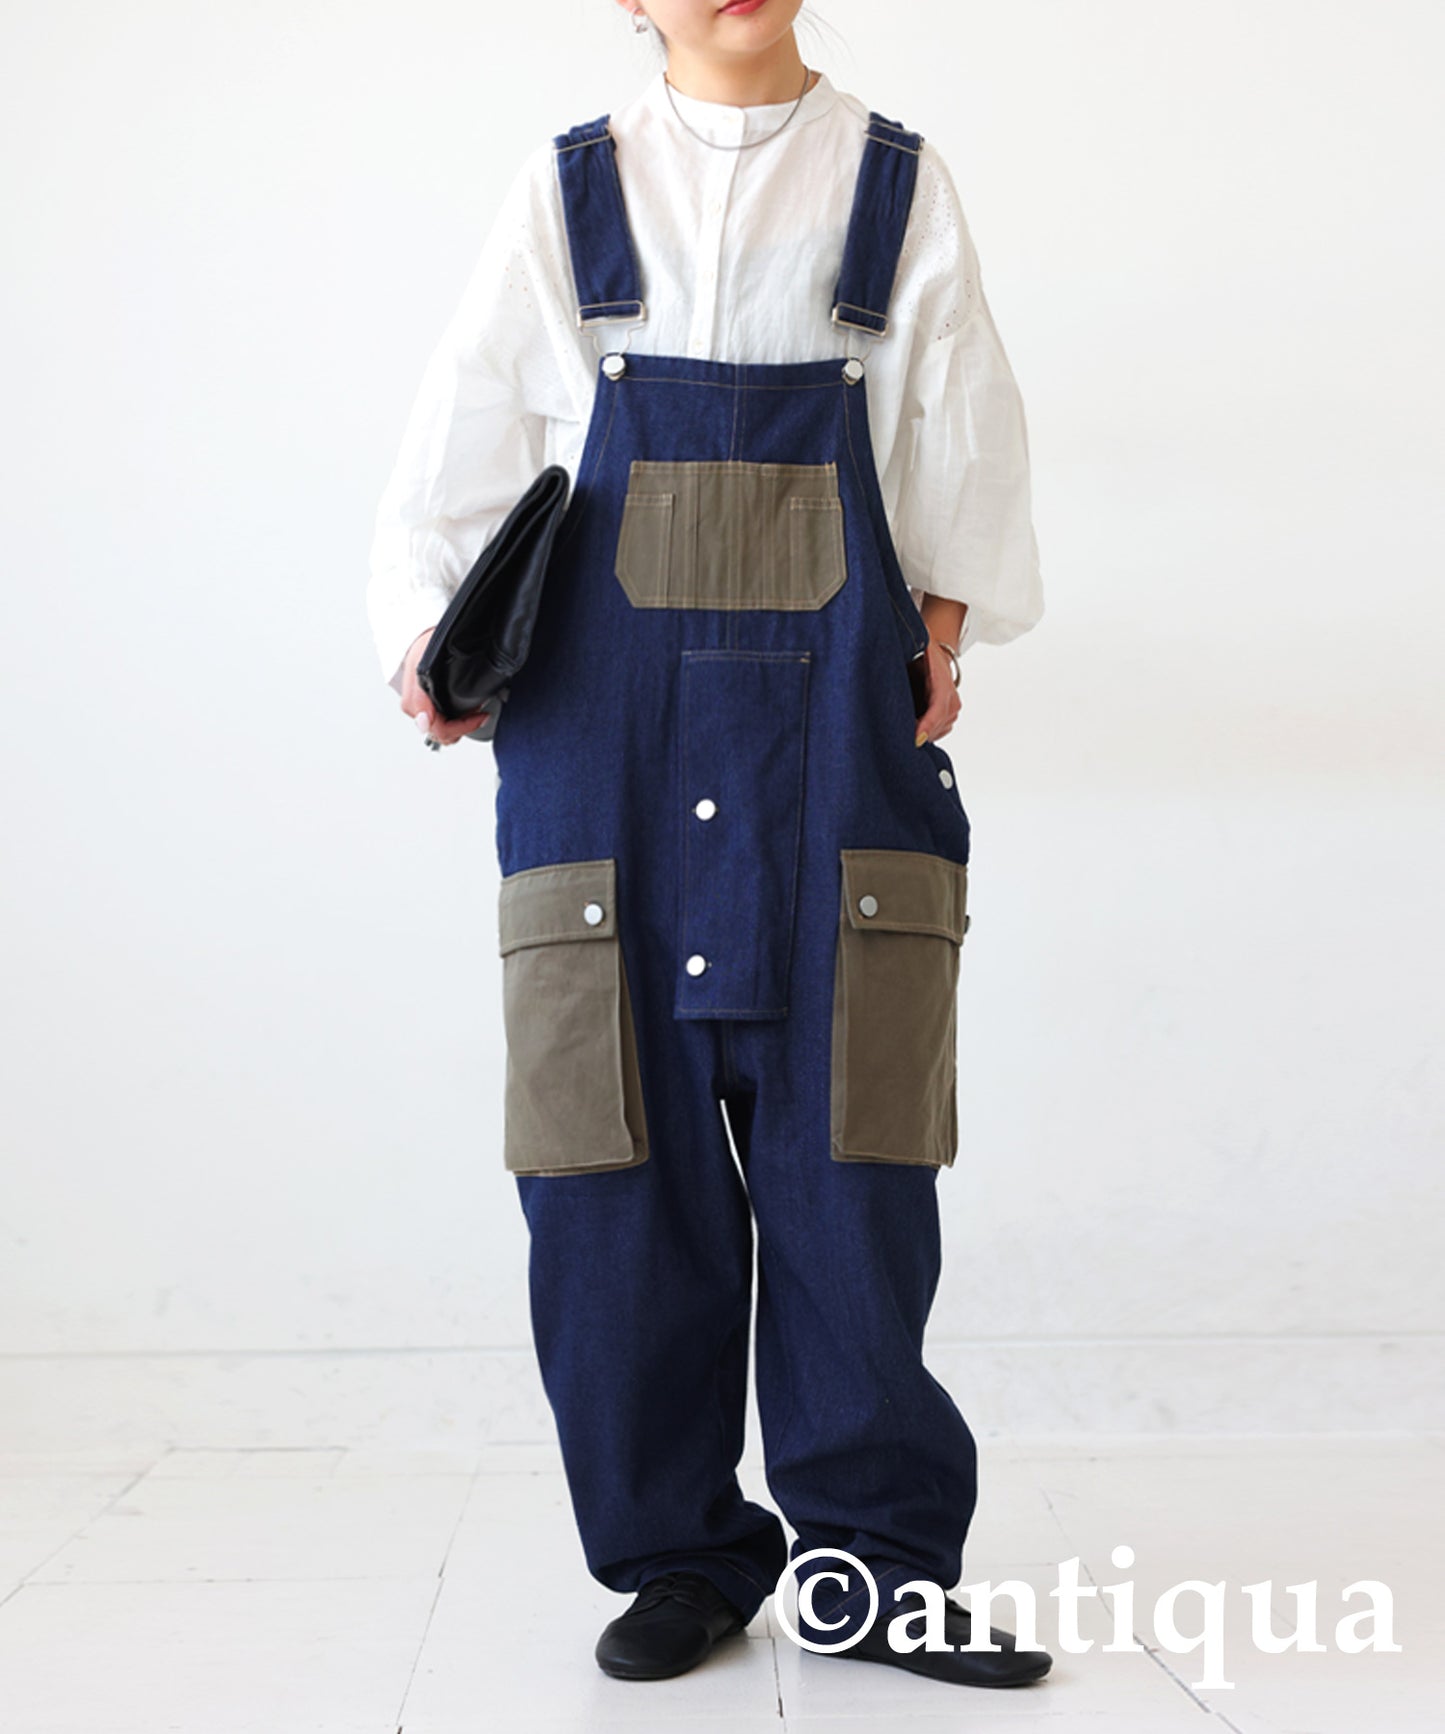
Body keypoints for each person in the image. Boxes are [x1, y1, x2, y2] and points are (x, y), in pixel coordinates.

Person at [366, 0, 1049, 1692]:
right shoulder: (570, 191)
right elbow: (460, 431)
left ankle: (873, 1569)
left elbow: (962, 428)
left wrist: (938, 625)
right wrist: (429, 642)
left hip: (838, 770)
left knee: (854, 1172)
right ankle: (677, 1553)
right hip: (598, 774)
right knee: (607, 1179)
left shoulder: (894, 186)